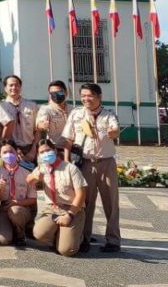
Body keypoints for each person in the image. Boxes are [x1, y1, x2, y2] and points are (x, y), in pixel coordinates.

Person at [62, 83, 121, 253]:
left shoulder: (108, 114)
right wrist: (66, 162)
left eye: (90, 96)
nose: (86, 99)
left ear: (99, 97)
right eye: (83, 96)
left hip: (106, 162)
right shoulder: (76, 114)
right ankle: (83, 238)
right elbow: (68, 140)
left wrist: (111, 132)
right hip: (85, 163)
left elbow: (115, 131)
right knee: (86, 202)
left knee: (111, 202)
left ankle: (113, 240)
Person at [27, 138, 87, 257]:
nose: (45, 154)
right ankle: (58, 235)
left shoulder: (70, 168)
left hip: (72, 209)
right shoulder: (42, 168)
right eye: (42, 152)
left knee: (67, 251)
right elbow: (29, 180)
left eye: (48, 150)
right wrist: (35, 177)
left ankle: (78, 236)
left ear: (54, 150)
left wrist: (70, 215)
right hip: (52, 209)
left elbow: (81, 194)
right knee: (38, 233)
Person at [0, 139, 36, 246]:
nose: (8, 155)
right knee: (3, 241)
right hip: (4, 208)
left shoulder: (27, 173)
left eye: (11, 152)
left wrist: (17, 203)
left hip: (21, 208)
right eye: (4, 152)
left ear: (17, 152)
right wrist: (0, 187)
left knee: (15, 211)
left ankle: (20, 232)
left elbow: (33, 199)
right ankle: (9, 228)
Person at [1, 75, 38, 161]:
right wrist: (12, 149)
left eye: (17, 85)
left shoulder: (32, 105)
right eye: (11, 85)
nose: (14, 87)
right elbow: (0, 131)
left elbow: (37, 130)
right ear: (5, 88)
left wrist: (33, 151)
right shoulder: (0, 107)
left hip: (30, 149)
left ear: (20, 87)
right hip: (10, 150)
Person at [37, 81, 70, 151]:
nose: (56, 95)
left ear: (66, 92)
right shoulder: (46, 109)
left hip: (72, 149)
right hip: (55, 149)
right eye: (53, 93)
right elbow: (39, 124)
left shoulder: (72, 110)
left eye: (59, 92)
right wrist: (43, 125)